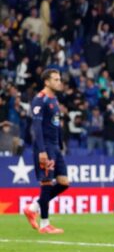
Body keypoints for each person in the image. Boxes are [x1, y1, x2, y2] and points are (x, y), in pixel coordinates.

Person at [22, 69, 70, 234]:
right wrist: (42, 151)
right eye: (56, 80)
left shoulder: (54, 99)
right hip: (45, 147)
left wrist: (60, 144)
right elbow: (36, 127)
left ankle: (33, 207)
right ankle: (44, 224)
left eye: (59, 79)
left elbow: (55, 125)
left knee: (64, 182)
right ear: (47, 82)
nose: (59, 82)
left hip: (55, 147)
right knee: (47, 183)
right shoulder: (39, 100)